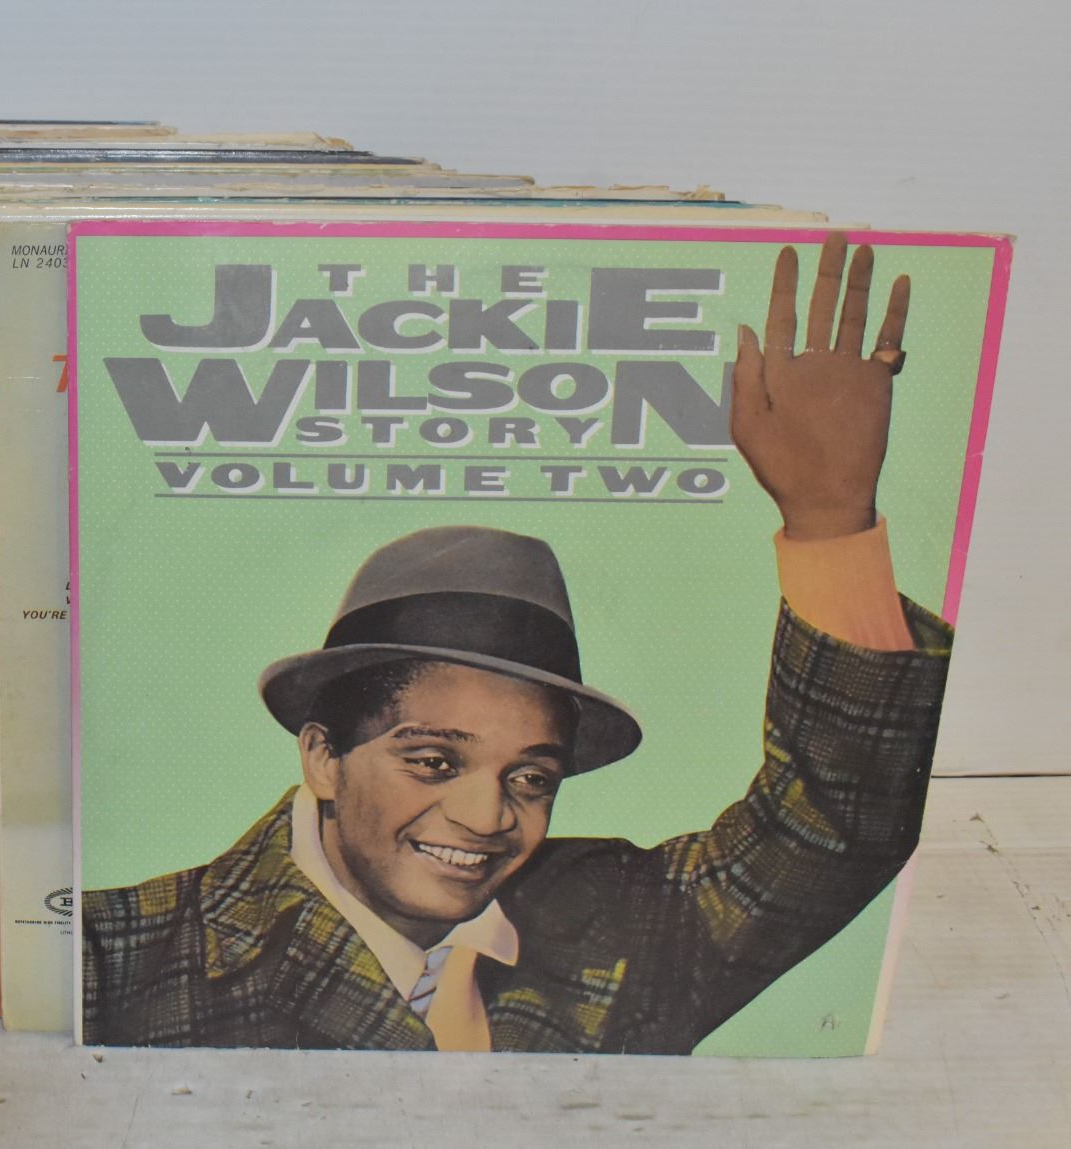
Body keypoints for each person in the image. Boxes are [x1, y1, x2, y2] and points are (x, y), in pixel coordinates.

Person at [81, 233, 955, 1053]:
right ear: (322, 757)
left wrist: (831, 517)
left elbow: (835, 828)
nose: (487, 816)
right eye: (433, 760)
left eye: (532, 777)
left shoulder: (616, 924)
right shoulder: (108, 959)